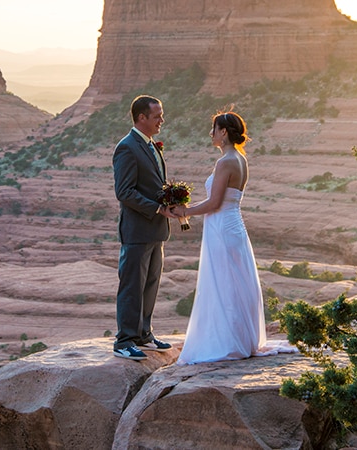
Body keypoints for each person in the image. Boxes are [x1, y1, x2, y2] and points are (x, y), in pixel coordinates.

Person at [173, 111, 296, 365]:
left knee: (223, 283)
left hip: (221, 227)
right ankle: (240, 337)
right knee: (235, 282)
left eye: (214, 129)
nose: (211, 133)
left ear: (224, 132)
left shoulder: (224, 162)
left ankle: (228, 342)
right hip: (233, 225)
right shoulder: (240, 159)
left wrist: (184, 212)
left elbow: (214, 203)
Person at [111, 95, 178, 361]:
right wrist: (158, 208)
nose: (162, 119)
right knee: (132, 286)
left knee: (150, 283)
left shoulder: (150, 145)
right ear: (141, 118)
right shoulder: (127, 147)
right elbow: (124, 192)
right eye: (157, 116)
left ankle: (143, 334)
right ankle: (125, 340)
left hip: (156, 230)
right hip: (138, 230)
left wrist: (170, 201)